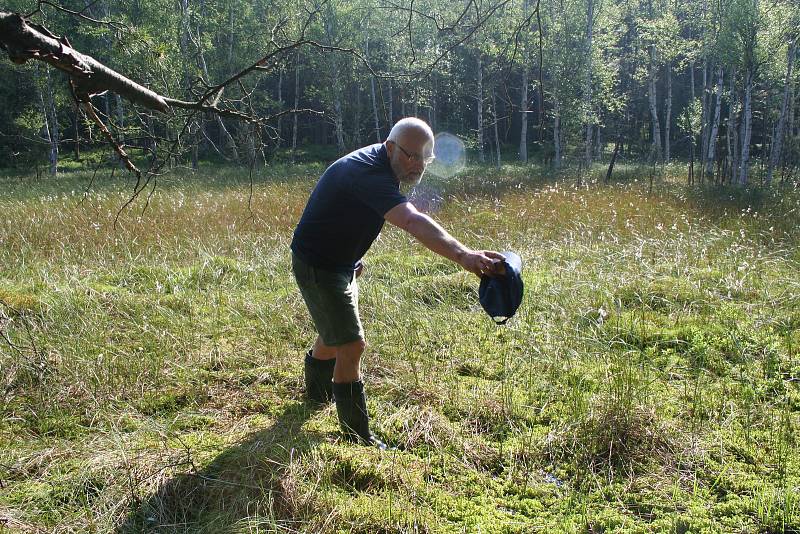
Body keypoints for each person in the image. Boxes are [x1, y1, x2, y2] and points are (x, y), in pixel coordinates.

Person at [291, 117, 504, 449]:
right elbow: (410, 219)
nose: (418, 165)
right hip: (319, 265)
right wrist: (464, 256)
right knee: (351, 344)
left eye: (425, 157)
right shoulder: (370, 172)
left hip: (339, 261)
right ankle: (356, 436)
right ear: (391, 147)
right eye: (411, 156)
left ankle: (315, 396)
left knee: (336, 331)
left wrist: (350, 259)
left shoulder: (383, 162)